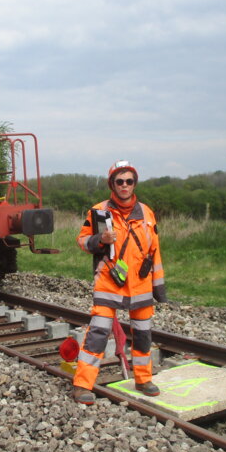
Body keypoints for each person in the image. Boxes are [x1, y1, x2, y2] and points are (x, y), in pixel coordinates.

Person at [72, 160, 167, 404]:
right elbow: (82, 241)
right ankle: (83, 385)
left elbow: (154, 251)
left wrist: (159, 286)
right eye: (120, 181)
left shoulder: (147, 213)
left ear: (134, 183)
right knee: (98, 334)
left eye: (129, 181)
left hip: (141, 284)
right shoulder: (99, 212)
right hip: (109, 282)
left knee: (143, 335)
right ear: (111, 184)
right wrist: (100, 239)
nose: (125, 186)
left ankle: (143, 379)